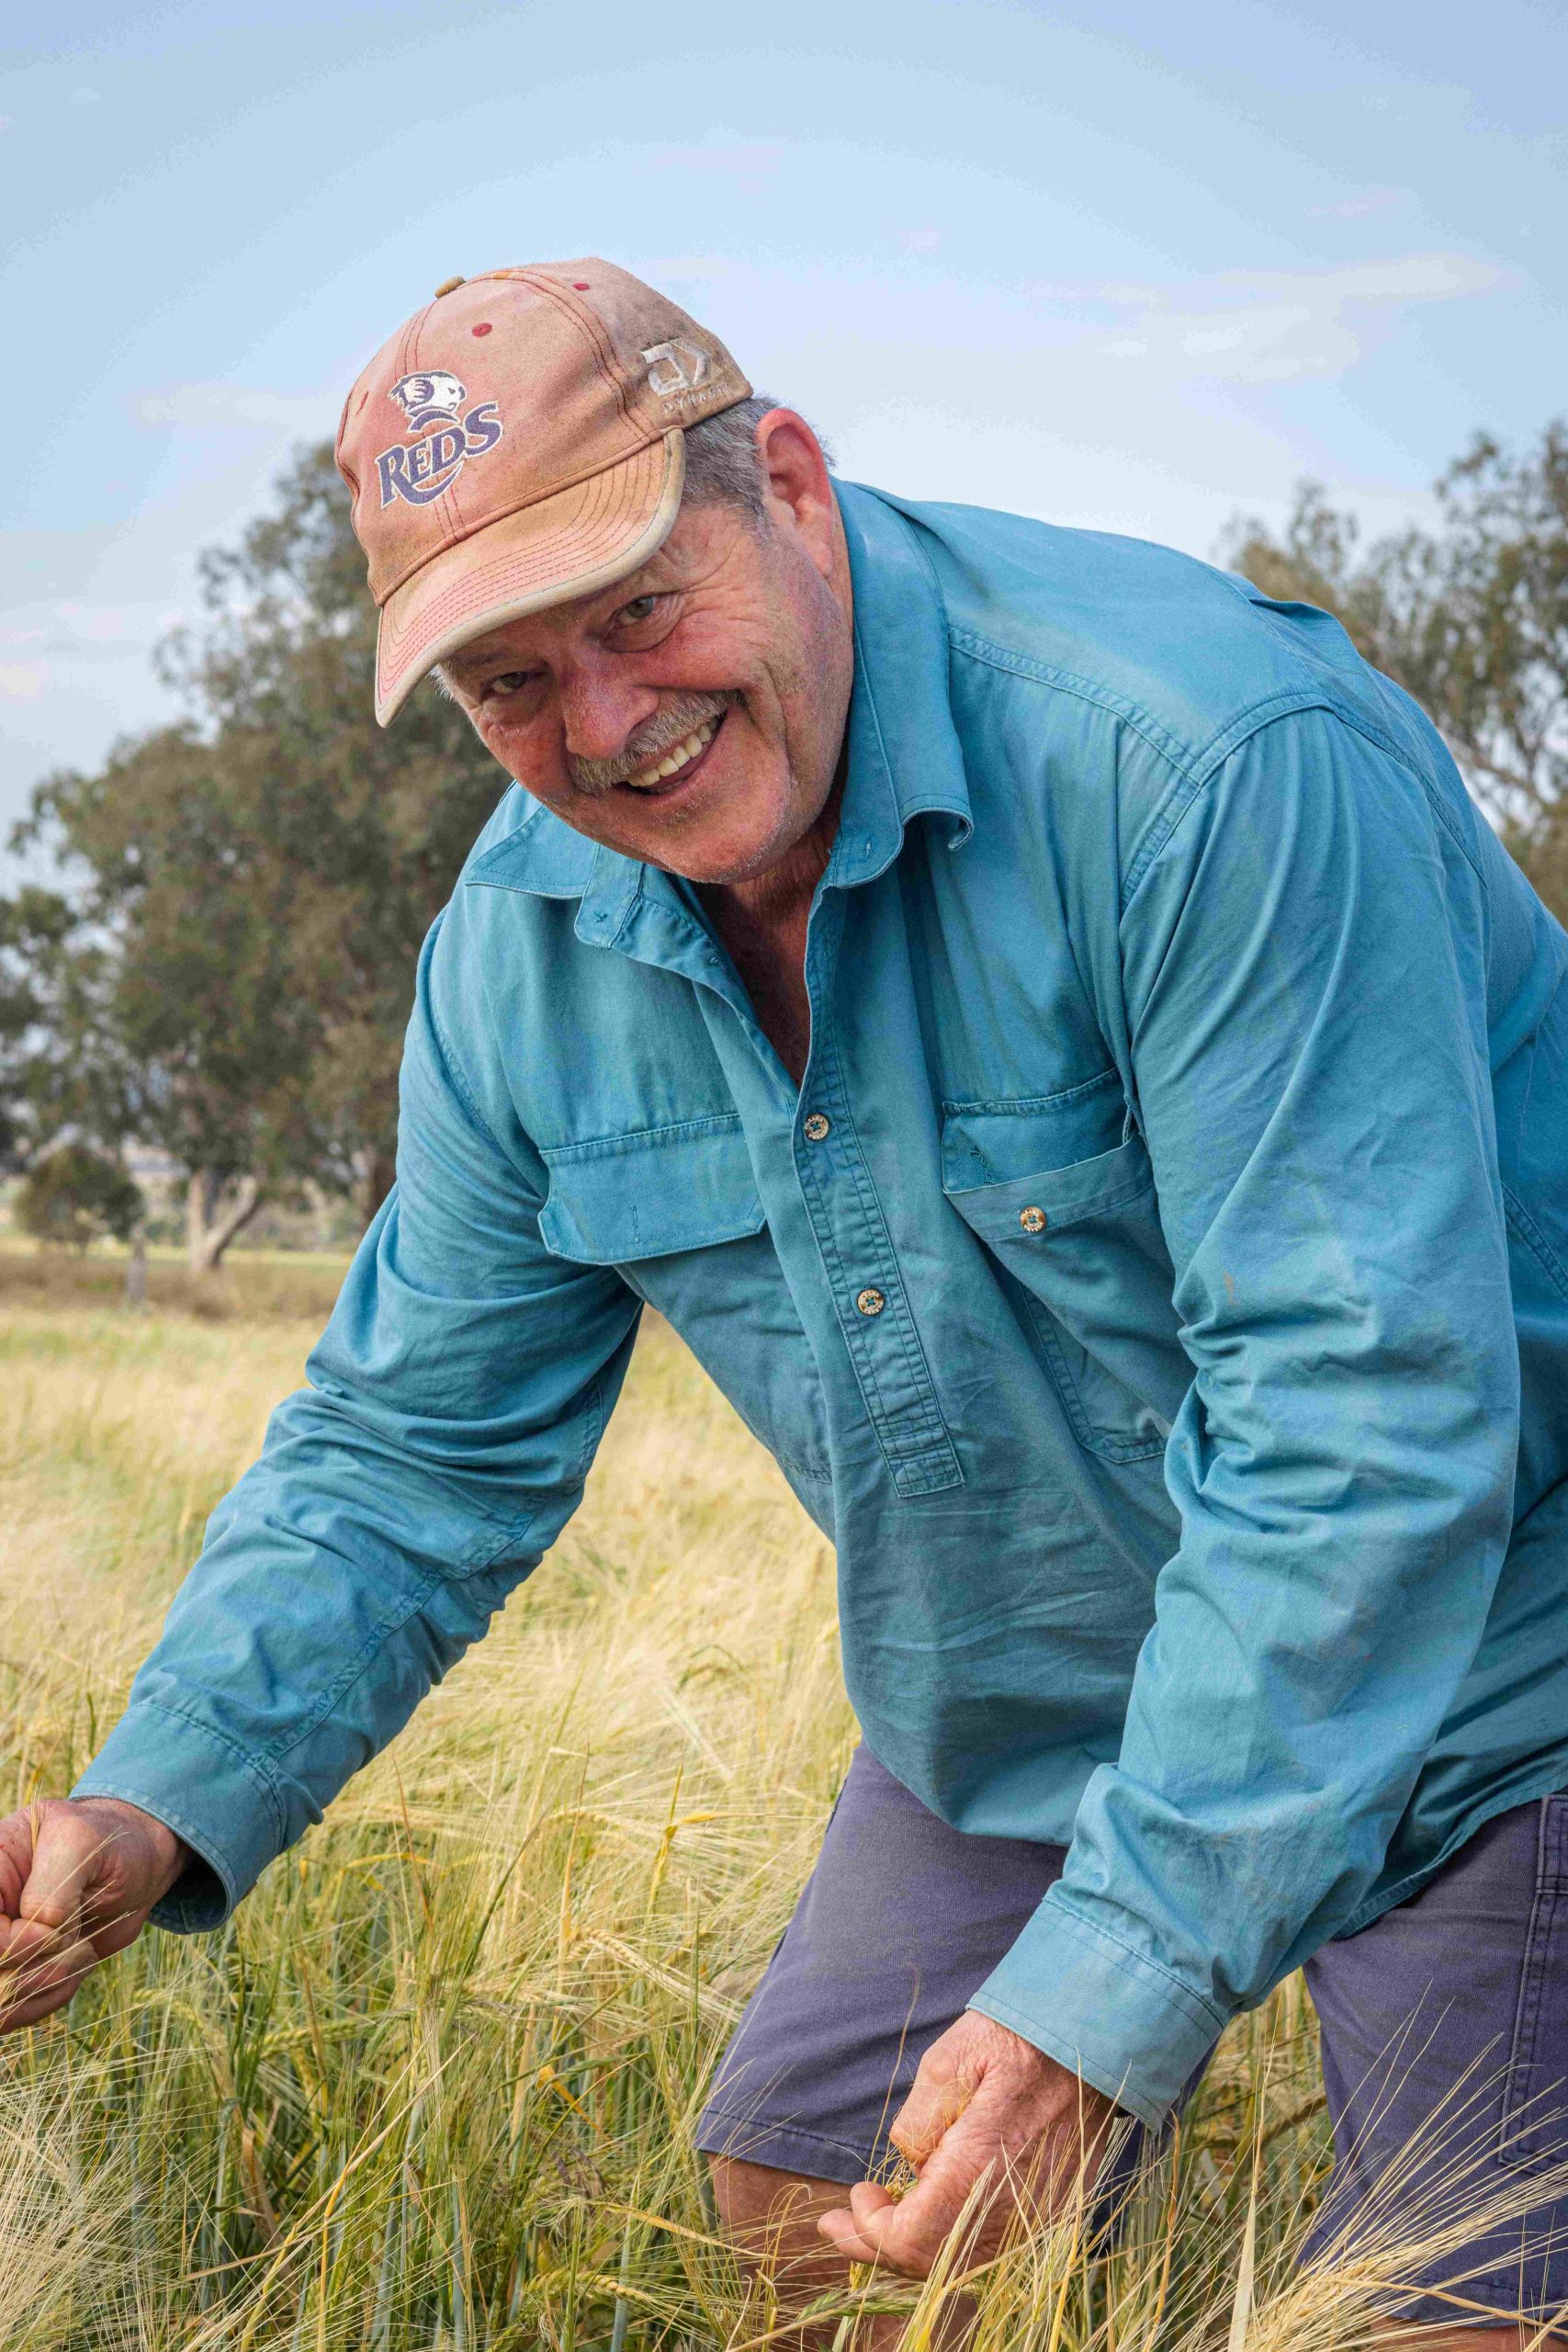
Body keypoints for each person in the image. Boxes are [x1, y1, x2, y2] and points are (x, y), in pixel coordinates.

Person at [3, 258, 1566, 2347]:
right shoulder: (515, 968)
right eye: (508, 684)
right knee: (816, 2222)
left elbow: (1359, 1416)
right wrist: (151, 1798)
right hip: (1017, 1682)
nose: (609, 725)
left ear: (791, 489)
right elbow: (411, 1442)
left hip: (1492, 1645)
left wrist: (1101, 1990)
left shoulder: (1199, 765)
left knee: (1444, 2318)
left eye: (640, 610)